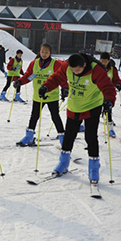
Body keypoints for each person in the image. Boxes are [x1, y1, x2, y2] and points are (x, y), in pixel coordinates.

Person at [39, 53, 116, 186]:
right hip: (74, 106)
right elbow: (56, 77)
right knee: (69, 136)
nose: (75, 73)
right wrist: (46, 86)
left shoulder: (96, 70)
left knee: (90, 137)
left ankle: (93, 169)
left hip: (92, 106)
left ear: (84, 65)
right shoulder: (67, 66)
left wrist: (109, 101)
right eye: (73, 70)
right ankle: (63, 163)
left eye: (78, 70)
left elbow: (108, 87)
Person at [13, 44, 66, 146]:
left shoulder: (55, 64)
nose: (44, 54)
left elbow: (61, 78)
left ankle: (63, 139)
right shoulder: (35, 63)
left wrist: (65, 88)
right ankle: (29, 137)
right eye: (42, 52)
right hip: (38, 96)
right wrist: (19, 82)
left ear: (50, 53)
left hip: (51, 96)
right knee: (34, 116)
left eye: (46, 52)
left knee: (55, 116)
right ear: (39, 52)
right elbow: (28, 76)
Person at [99, 52, 121, 138]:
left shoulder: (113, 69)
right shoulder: (96, 68)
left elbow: (116, 79)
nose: (103, 62)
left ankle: (110, 129)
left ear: (108, 61)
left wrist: (118, 85)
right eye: (101, 60)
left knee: (108, 110)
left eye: (105, 61)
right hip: (97, 93)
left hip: (108, 93)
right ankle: (83, 124)